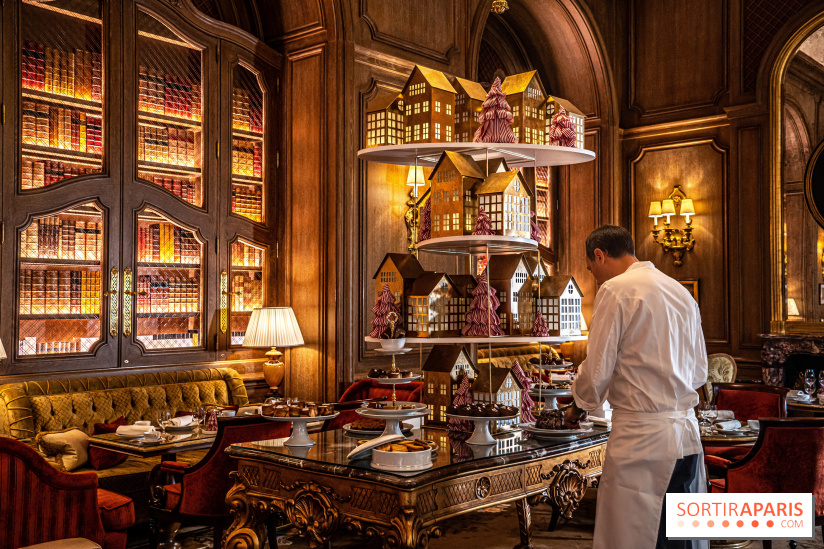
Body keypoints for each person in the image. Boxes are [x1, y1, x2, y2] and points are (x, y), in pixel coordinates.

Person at [564, 225, 708, 549]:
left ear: (599, 255)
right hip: (686, 433)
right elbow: (700, 370)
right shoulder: (680, 292)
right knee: (680, 539)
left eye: (591, 269)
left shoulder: (616, 290)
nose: (595, 278)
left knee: (632, 537)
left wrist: (578, 406)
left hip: (641, 442)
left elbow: (597, 369)